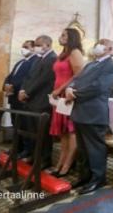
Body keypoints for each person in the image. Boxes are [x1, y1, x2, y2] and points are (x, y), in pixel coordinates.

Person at [66, 39, 113, 194]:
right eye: (97, 43)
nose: (97, 46)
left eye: (101, 44)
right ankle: (85, 176)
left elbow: (99, 87)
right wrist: (70, 87)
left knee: (95, 148)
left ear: (110, 49)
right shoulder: (90, 64)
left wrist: (75, 93)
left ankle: (98, 179)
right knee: (82, 148)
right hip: (80, 111)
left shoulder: (110, 66)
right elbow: (77, 79)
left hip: (94, 112)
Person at [49, 28, 84, 177]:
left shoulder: (75, 52)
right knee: (63, 131)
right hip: (59, 94)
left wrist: (60, 90)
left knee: (71, 131)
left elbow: (79, 75)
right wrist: (55, 91)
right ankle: (60, 163)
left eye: (64, 35)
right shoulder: (63, 54)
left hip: (68, 94)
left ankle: (67, 165)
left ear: (72, 37)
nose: (60, 37)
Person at [18, 35, 57, 168]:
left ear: (47, 44)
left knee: (43, 133)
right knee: (33, 131)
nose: (36, 47)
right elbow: (28, 77)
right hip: (31, 100)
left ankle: (45, 159)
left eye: (39, 44)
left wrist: (27, 92)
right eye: (35, 44)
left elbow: (43, 80)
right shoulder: (38, 59)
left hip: (41, 101)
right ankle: (34, 156)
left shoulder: (52, 59)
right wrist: (22, 90)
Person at [3, 41, 37, 157]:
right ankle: (17, 147)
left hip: (23, 98)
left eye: (26, 47)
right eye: (22, 46)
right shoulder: (20, 62)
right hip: (13, 97)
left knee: (25, 125)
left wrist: (15, 87)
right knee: (15, 124)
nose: (23, 49)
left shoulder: (35, 61)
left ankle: (27, 150)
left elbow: (30, 79)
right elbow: (10, 76)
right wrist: (6, 84)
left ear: (33, 48)